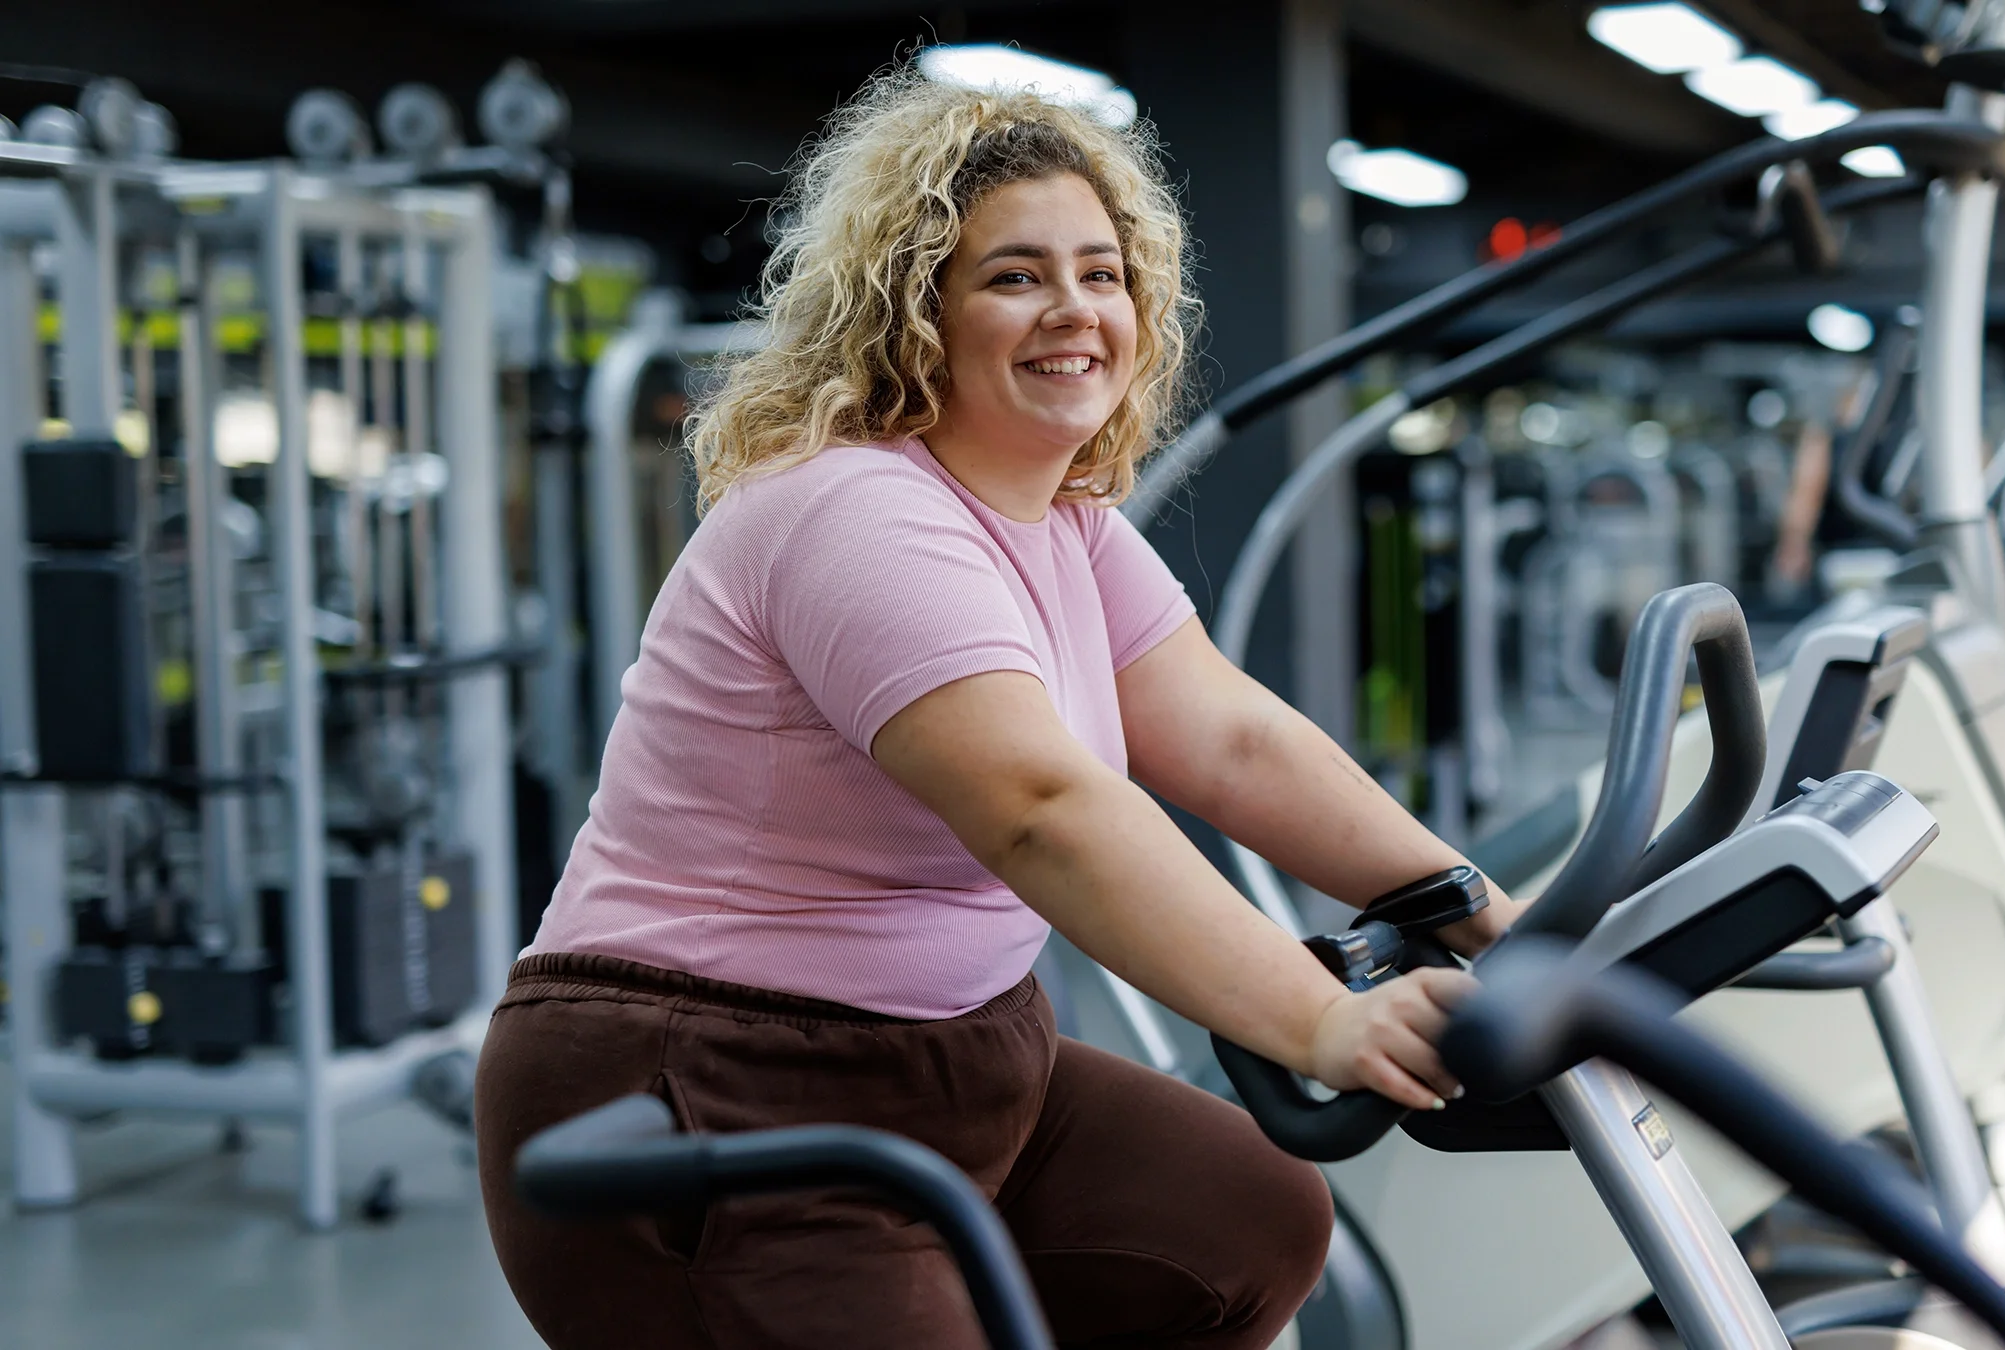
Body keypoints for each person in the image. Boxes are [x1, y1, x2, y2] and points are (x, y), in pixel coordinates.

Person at [475, 66, 1521, 1350]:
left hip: (961, 1058)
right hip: (712, 1083)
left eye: (1100, 273)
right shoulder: (855, 511)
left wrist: (1470, 909)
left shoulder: (1060, 520)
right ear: (915, 313)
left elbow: (1231, 740)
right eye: (1015, 276)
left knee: (1239, 1221)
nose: (1074, 310)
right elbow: (1043, 811)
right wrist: (1321, 1020)